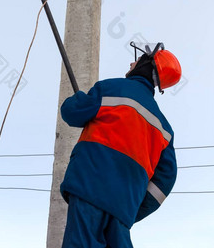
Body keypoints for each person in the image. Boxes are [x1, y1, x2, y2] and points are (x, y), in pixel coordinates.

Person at [60, 41, 181, 248]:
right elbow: (165, 181)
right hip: (123, 210)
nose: (132, 62)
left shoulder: (110, 88)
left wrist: (79, 99)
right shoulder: (164, 130)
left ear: (146, 65)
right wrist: (133, 209)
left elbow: (71, 113)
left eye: (138, 59)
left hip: (88, 190)